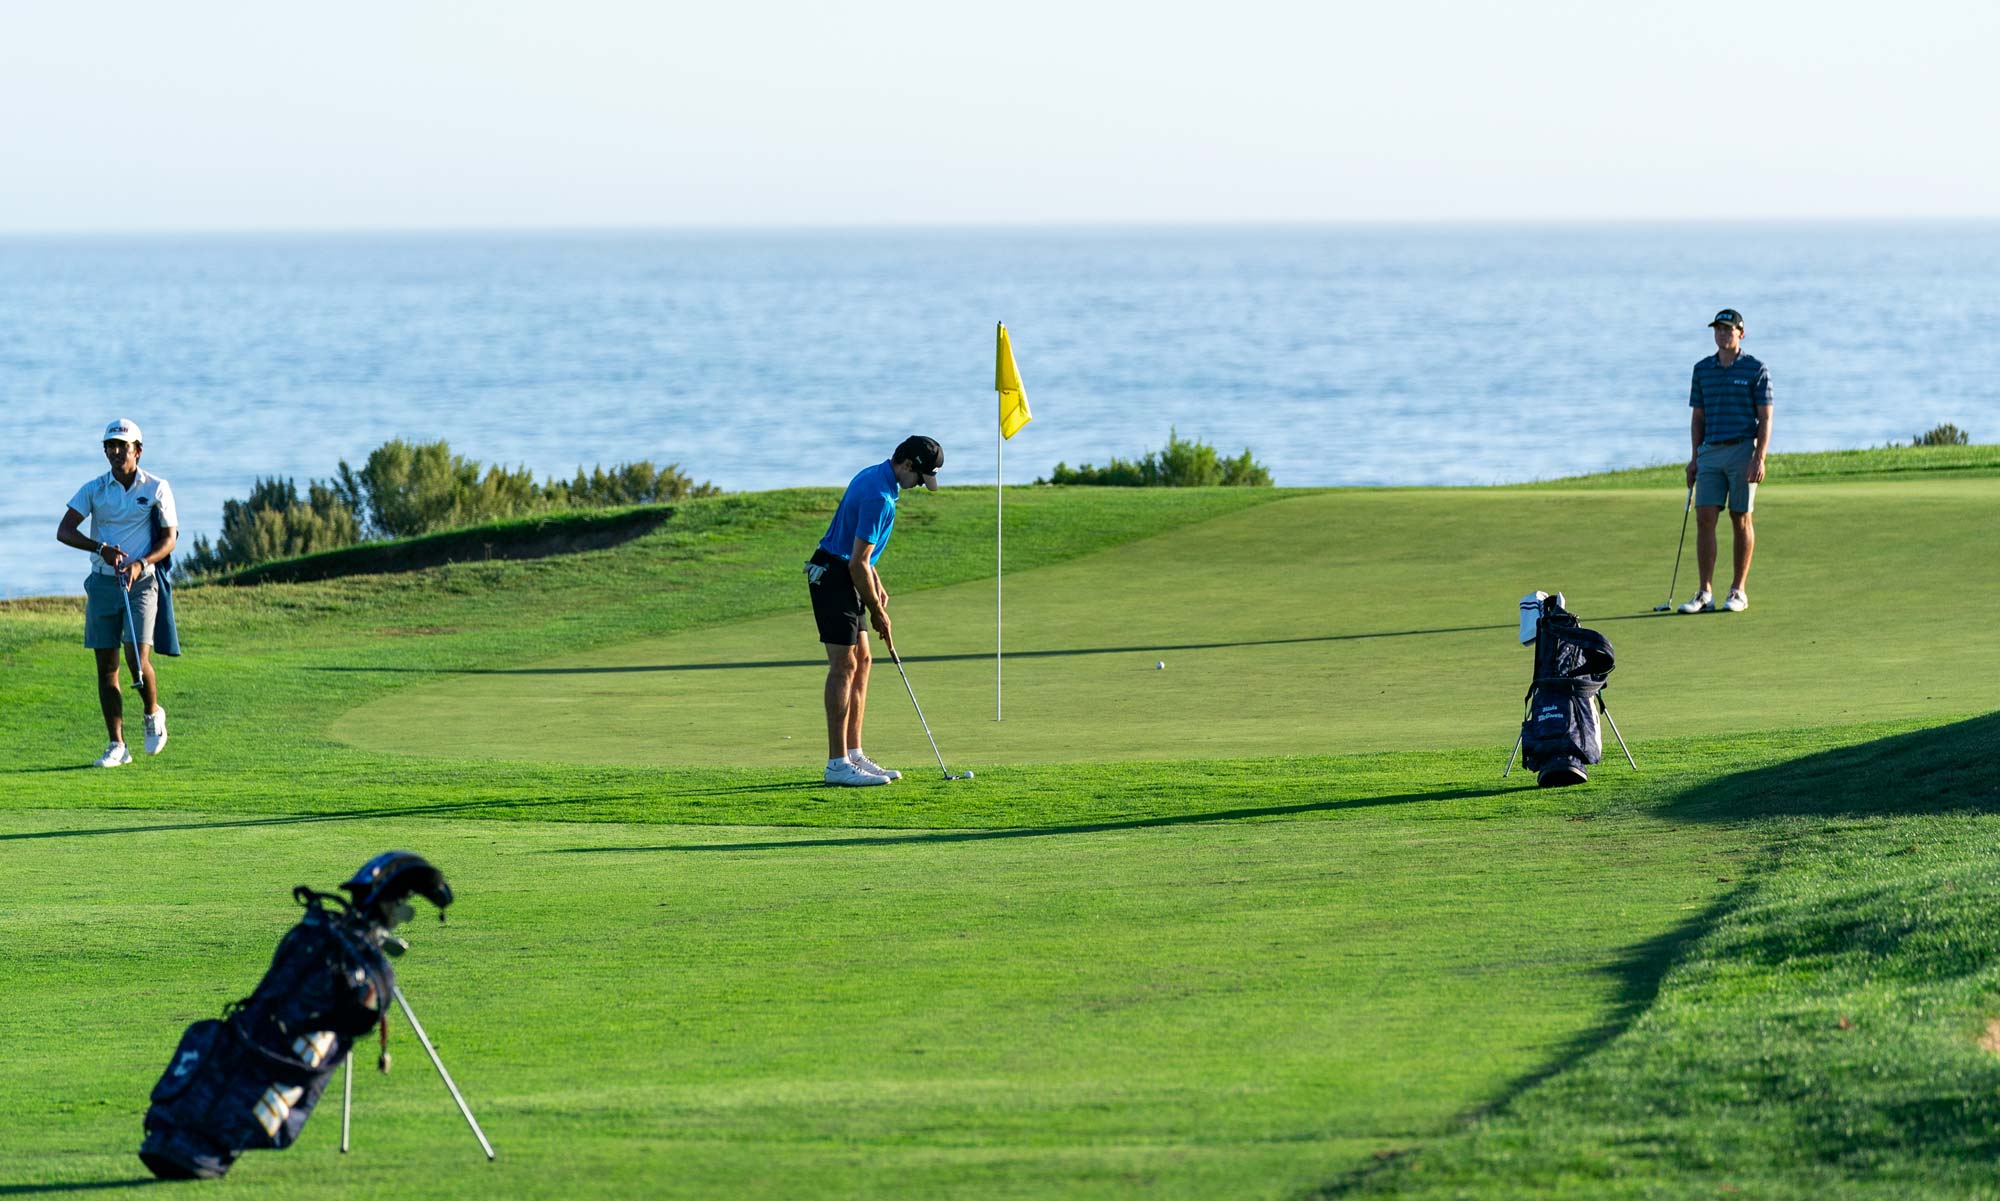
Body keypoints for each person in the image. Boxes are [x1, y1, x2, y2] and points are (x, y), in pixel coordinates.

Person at [805, 435, 943, 786]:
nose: (919, 485)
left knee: (863, 660)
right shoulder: (879, 497)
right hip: (833, 575)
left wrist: (875, 582)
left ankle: (854, 753)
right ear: (907, 465)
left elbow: (861, 555)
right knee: (844, 665)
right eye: (920, 477)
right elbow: (855, 562)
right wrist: (877, 612)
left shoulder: (876, 477)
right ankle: (837, 763)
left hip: (847, 571)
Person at [54, 418, 179, 766]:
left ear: (137, 450)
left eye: (122, 446)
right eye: (109, 445)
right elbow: (65, 530)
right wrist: (100, 548)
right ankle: (117, 745)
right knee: (106, 667)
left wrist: (140, 563)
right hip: (103, 582)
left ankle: (153, 712)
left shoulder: (156, 487)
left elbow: (169, 538)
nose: (115, 451)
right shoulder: (95, 488)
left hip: (142, 582)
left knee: (136, 659)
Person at [1677, 308, 1773, 614]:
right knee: (1704, 518)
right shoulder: (1702, 369)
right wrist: (1694, 457)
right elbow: (1697, 418)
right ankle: (1705, 592)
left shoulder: (1755, 369)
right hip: (1710, 452)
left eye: (1728, 329)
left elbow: (1765, 417)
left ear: (1740, 334)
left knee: (1740, 517)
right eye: (1718, 329)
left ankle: (1738, 591)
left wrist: (1759, 457)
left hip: (1743, 449)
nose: (1722, 334)